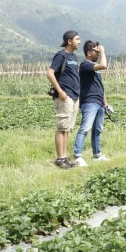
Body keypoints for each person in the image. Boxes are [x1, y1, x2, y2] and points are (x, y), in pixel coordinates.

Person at [46, 30, 81, 170]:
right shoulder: (61, 55)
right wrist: (60, 91)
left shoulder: (73, 56)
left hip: (74, 96)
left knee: (66, 128)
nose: (79, 42)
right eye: (77, 39)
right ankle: (59, 159)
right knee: (61, 128)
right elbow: (49, 73)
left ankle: (65, 157)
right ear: (69, 41)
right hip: (64, 96)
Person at [73, 41, 109, 166]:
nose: (98, 54)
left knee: (97, 130)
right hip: (89, 101)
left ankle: (97, 155)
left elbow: (100, 86)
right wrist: (103, 51)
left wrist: (105, 103)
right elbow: (104, 65)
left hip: (99, 102)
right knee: (85, 128)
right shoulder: (85, 65)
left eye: (99, 52)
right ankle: (78, 156)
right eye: (96, 52)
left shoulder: (94, 67)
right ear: (89, 53)